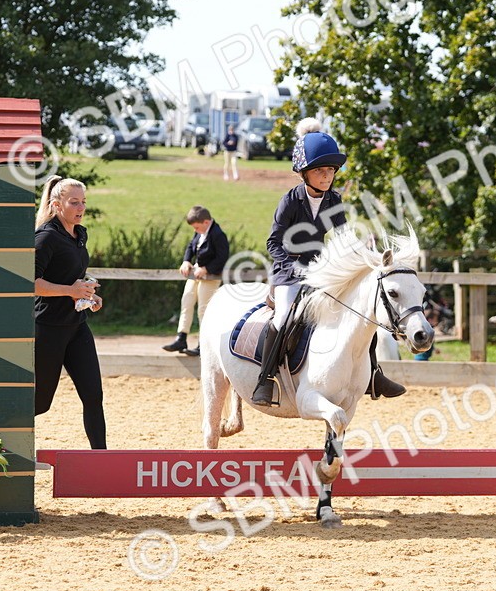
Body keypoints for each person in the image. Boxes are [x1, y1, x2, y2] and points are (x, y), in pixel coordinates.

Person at [252, 118, 406, 406]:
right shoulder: (290, 201)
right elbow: (273, 243)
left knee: (361, 315)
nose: (327, 176)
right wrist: (293, 267)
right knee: (283, 317)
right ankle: (266, 377)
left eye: (331, 170)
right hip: (289, 272)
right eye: (320, 170)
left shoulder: (334, 200)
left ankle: (374, 374)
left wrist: (363, 252)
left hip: (322, 271)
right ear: (304, 173)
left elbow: (344, 235)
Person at [34, 175, 107, 449]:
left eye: (83, 202)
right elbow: (31, 284)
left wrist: (88, 295)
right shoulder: (45, 237)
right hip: (48, 328)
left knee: (93, 395)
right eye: (74, 202)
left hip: (77, 326)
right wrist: (70, 291)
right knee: (40, 403)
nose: (81, 207)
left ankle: (102, 458)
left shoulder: (79, 234)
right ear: (56, 204)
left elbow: (71, 277)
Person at [162, 205, 230, 356]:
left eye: (197, 227)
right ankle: (181, 337)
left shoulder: (218, 235)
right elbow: (190, 247)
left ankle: (203, 343)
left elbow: (222, 257)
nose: (196, 230)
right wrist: (186, 261)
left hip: (211, 277)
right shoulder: (201, 232)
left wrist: (206, 268)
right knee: (186, 302)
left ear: (206, 222)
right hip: (196, 274)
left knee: (203, 310)